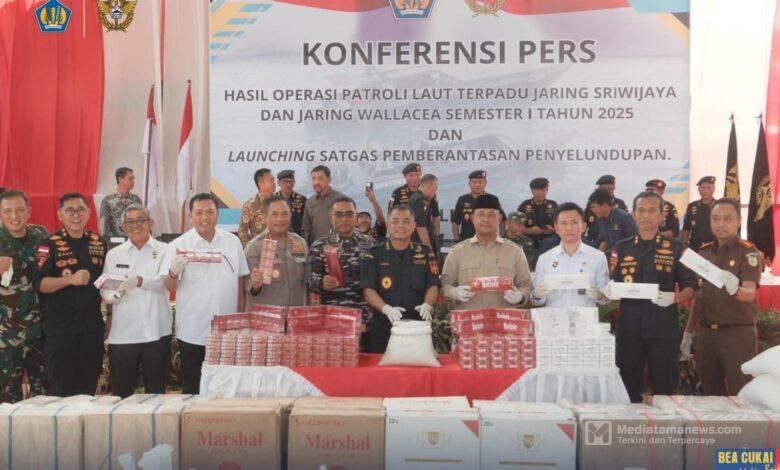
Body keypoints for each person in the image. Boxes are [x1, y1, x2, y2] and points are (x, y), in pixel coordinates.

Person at [603, 191, 697, 403]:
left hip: (662, 328)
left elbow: (691, 286)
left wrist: (674, 297)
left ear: (661, 216)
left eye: (652, 210)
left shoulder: (678, 248)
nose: (646, 215)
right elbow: (613, 284)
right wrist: (610, 291)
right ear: (633, 215)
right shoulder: (620, 248)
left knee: (664, 387)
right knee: (628, 387)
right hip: (629, 328)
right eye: (641, 210)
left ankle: (665, 423)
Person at [160, 193, 249, 394]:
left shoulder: (232, 241)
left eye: (210, 212)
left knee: (226, 386)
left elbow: (240, 281)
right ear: (191, 216)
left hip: (227, 329)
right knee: (192, 386)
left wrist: (240, 320)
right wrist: (173, 271)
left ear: (218, 214)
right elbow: (169, 286)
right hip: (193, 328)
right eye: (199, 213)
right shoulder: (178, 245)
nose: (204, 218)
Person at [681, 198, 762, 395]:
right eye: (716, 219)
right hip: (707, 334)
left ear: (738, 221)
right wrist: (688, 332)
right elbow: (699, 297)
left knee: (741, 393)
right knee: (710, 394)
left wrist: (736, 290)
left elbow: (750, 292)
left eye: (727, 219)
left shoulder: (748, 252)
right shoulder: (704, 252)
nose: (721, 224)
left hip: (737, 334)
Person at [34, 192, 107, 397]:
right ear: (60, 214)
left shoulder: (99, 242)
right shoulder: (47, 244)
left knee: (88, 390)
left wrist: (109, 315)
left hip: (91, 328)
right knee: (60, 390)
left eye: (81, 209)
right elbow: (39, 283)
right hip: (60, 330)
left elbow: (107, 282)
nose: (76, 214)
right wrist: (70, 280)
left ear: (88, 213)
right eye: (70, 210)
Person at [99, 204, 171, 398]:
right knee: (121, 395)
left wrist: (139, 281)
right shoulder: (114, 254)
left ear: (150, 223)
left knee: (156, 394)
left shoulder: (165, 249)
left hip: (156, 332)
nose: (135, 225)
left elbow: (164, 282)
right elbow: (105, 289)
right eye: (130, 222)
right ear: (123, 227)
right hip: (123, 334)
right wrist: (115, 295)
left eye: (141, 220)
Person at [361, 204, 439, 353]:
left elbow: (433, 285)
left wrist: (427, 305)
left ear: (414, 226)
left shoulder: (425, 253)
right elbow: (368, 290)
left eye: (406, 221)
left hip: (417, 327)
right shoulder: (373, 254)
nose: (400, 226)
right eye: (395, 221)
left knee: (417, 365)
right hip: (384, 326)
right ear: (388, 225)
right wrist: (385, 308)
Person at [0, 190, 49, 402]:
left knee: (44, 396)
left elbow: (49, 268)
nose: (14, 216)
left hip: (41, 330)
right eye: (7, 211)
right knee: (6, 397)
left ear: (29, 210)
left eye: (19, 209)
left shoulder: (41, 234)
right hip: (6, 335)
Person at [307, 196, 375, 348]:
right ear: (330, 218)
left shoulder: (370, 243)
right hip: (334, 320)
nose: (344, 219)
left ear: (356, 217)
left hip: (365, 318)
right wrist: (322, 282)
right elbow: (309, 280)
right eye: (338, 214)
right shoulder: (319, 245)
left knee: (366, 360)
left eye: (349, 214)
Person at [441, 195, 531, 309]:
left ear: (499, 218)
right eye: (481, 214)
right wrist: (453, 292)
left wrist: (521, 296)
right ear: (473, 218)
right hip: (468, 318)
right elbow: (445, 285)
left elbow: (525, 284)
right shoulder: (457, 252)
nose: (485, 219)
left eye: (491, 215)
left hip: (503, 318)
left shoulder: (515, 252)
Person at [531, 203, 610, 307]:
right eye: (564, 223)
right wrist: (538, 295)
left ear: (583, 226)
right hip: (554, 316)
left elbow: (606, 300)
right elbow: (535, 301)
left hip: (585, 316)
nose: (569, 228)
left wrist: (599, 295)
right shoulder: (545, 259)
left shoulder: (598, 257)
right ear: (556, 228)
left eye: (574, 222)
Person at [245, 195, 308, 308]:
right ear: (264, 217)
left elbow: (307, 279)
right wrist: (255, 285)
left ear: (290, 216)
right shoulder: (254, 247)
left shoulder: (299, 243)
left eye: (284, 214)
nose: (280, 219)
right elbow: (248, 287)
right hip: (268, 316)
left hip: (296, 314)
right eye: (274, 214)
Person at [389, 163, 441, 248]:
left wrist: (437, 236)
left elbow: (435, 215)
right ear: (405, 177)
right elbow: (390, 217)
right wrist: (393, 238)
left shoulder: (429, 192)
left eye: (417, 175)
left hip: (425, 237)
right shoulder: (397, 193)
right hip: (404, 237)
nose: (415, 178)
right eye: (411, 175)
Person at [302, 165, 345, 246]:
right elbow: (305, 229)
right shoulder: (310, 201)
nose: (316, 182)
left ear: (329, 179)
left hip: (337, 249)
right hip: (315, 249)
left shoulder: (341, 199)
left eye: (320, 178)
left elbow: (347, 226)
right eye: (313, 178)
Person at [452, 170, 499, 242]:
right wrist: (457, 239)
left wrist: (501, 237)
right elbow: (455, 221)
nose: (477, 185)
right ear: (469, 184)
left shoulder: (493, 199)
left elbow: (500, 220)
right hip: (466, 241)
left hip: (487, 241)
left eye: (480, 182)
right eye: (474, 182)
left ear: (485, 184)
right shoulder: (462, 199)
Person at [100, 167, 142, 239]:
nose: (133, 181)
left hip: (134, 240)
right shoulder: (108, 200)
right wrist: (107, 242)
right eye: (130, 178)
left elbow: (142, 221)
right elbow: (104, 227)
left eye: (133, 179)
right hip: (115, 242)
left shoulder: (136, 199)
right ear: (120, 179)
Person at [590, 187, 637, 251]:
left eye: (594, 207)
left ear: (605, 205)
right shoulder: (600, 220)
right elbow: (604, 241)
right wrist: (598, 255)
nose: (593, 210)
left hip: (626, 254)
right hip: (611, 254)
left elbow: (635, 241)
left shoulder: (624, 218)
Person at [238, 168, 276, 246]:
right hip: (259, 249)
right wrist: (251, 248)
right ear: (260, 183)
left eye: (274, 180)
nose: (274, 182)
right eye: (271, 180)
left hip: (281, 248)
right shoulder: (250, 205)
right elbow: (242, 230)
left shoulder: (281, 202)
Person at [585, 174, 628, 240]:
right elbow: (583, 224)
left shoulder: (620, 204)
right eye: (604, 189)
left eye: (610, 189)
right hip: (593, 241)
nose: (607, 192)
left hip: (613, 243)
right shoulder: (592, 204)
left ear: (614, 188)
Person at [517, 177, 557, 247]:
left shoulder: (553, 205)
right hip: (529, 244)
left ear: (547, 190)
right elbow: (517, 228)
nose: (540, 192)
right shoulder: (524, 205)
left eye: (543, 189)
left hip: (550, 243)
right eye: (537, 190)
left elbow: (561, 225)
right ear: (532, 191)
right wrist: (529, 230)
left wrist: (553, 230)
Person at [682, 176, 716, 251]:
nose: (705, 191)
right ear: (699, 189)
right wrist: (684, 246)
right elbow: (686, 228)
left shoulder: (719, 206)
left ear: (714, 189)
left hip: (713, 247)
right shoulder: (692, 206)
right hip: (694, 247)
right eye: (702, 188)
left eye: (709, 188)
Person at [408, 174, 440, 254]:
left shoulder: (416, 197)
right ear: (428, 186)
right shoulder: (420, 200)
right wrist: (429, 251)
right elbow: (421, 228)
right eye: (435, 189)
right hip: (420, 247)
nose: (435, 192)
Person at [275, 169, 307, 237]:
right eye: (285, 181)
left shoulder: (302, 199)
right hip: (277, 237)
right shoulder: (273, 200)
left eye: (291, 181)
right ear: (278, 183)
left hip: (297, 238)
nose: (288, 184)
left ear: (294, 183)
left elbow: (306, 222)